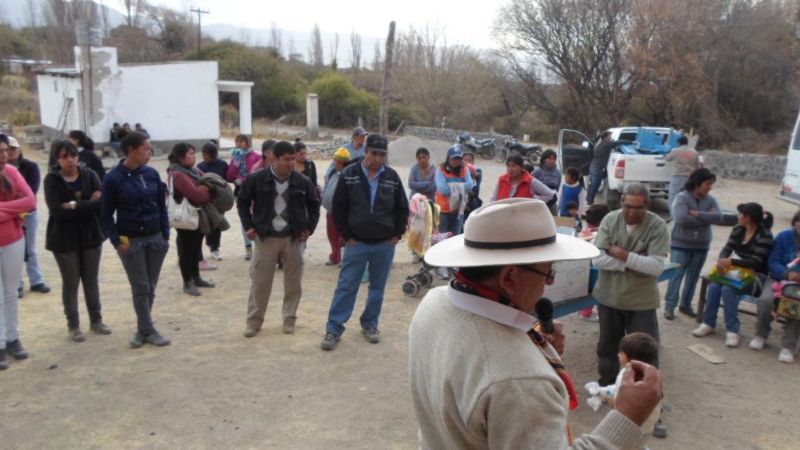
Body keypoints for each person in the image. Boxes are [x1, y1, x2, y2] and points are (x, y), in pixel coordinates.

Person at [410, 197, 662, 449]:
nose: (548, 283)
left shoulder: (434, 301)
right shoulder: (520, 381)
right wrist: (627, 419)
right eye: (548, 271)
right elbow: (505, 373)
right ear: (509, 278)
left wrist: (532, 347)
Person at [593, 182, 669, 437]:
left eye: (638, 208)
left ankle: (653, 407)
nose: (632, 212)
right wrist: (637, 260)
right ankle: (608, 391)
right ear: (621, 202)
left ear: (647, 205)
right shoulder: (610, 220)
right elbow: (597, 258)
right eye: (628, 206)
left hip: (641, 301)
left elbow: (656, 267)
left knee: (646, 356)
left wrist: (621, 254)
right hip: (609, 297)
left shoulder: (657, 226)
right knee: (607, 348)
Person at [321, 134, 409, 351]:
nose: (377, 159)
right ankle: (334, 328)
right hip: (356, 243)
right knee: (347, 286)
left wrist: (397, 235)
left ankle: (370, 324)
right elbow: (338, 207)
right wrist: (347, 235)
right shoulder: (349, 174)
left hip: (384, 245)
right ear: (365, 152)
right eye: (374, 154)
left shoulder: (392, 177)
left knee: (377, 288)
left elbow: (402, 208)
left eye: (382, 155)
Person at [238, 141, 320, 337]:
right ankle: (254, 322)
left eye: (293, 159)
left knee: (293, 283)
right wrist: (249, 226)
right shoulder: (257, 178)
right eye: (286, 159)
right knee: (260, 282)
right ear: (274, 158)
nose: (291, 163)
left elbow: (314, 205)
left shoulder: (302, 181)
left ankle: (289, 319)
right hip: (266, 238)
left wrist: (309, 228)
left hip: (293, 239)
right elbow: (242, 201)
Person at [101, 131, 171, 348]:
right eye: (146, 148)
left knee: (150, 287)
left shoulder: (151, 174)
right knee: (140, 286)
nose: (150, 152)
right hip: (131, 241)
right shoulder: (113, 178)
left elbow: (161, 206)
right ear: (131, 150)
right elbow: (106, 214)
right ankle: (149, 330)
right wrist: (117, 241)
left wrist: (165, 235)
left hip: (156, 239)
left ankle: (143, 329)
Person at [43, 140, 111, 342]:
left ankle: (96, 320)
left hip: (91, 235)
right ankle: (73, 325)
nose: (70, 160)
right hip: (64, 240)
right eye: (64, 156)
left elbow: (102, 202)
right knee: (71, 282)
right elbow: (57, 212)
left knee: (91, 280)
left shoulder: (89, 174)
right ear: (57, 159)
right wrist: (89, 202)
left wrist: (74, 205)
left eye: (73, 155)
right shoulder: (51, 180)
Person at [693, 202, 774, 347]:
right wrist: (722, 261)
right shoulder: (738, 229)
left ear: (748, 218)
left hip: (756, 276)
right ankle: (708, 323)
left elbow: (755, 262)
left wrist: (731, 261)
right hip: (736, 272)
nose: (738, 216)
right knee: (714, 286)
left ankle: (732, 330)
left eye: (740, 214)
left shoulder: (765, 235)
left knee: (727, 289)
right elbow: (727, 248)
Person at [664, 169, 723, 320]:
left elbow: (718, 217)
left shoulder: (711, 200)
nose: (710, 187)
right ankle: (669, 307)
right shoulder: (681, 197)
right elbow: (681, 218)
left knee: (693, 277)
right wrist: (706, 218)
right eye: (707, 184)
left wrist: (698, 214)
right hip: (680, 244)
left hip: (701, 245)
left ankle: (685, 305)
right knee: (676, 276)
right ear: (697, 183)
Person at [0, 134, 35, 370]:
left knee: (11, 292)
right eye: (0, 151)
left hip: (13, 240)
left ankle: (13, 338)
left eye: (5, 150)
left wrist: (2, 210)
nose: (4, 155)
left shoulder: (12, 172)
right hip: (11, 233)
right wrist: (13, 210)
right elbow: (21, 205)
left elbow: (30, 201)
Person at [585, 332, 662, 440]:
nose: (618, 355)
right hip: (642, 426)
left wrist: (615, 403)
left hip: (634, 429)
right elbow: (618, 388)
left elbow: (631, 408)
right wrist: (602, 391)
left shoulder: (635, 380)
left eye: (621, 353)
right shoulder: (645, 375)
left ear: (628, 358)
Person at [750, 210, 800, 363]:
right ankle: (761, 334)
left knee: (796, 304)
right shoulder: (784, 236)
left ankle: (788, 346)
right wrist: (787, 273)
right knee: (765, 300)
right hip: (778, 278)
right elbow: (773, 261)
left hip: (798, 285)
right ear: (795, 221)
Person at [168, 143, 215, 296]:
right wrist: (208, 192)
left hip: (197, 214)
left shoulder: (193, 171)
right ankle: (187, 282)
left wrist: (207, 190)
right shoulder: (178, 174)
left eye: (194, 154)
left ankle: (196, 278)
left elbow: (211, 183)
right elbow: (197, 195)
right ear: (181, 157)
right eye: (191, 154)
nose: (194, 157)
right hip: (185, 217)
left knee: (195, 248)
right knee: (187, 250)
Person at [6, 136, 50, 297]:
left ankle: (36, 280)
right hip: (9, 216)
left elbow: (31, 191)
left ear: (19, 150)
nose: (10, 152)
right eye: (7, 149)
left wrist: (16, 200)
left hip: (29, 213)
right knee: (13, 250)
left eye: (13, 149)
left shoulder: (31, 167)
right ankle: (17, 284)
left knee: (30, 248)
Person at [226, 134, 261, 261]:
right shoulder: (236, 156)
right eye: (237, 142)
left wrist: (244, 179)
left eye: (241, 141)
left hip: (256, 193)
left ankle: (259, 247)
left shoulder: (256, 156)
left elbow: (258, 174)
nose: (238, 144)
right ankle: (248, 247)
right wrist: (235, 162)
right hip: (240, 192)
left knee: (258, 218)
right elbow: (229, 176)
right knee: (245, 220)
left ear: (248, 143)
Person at [578, 203, 611, 321]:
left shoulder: (586, 228)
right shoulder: (599, 232)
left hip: (582, 266)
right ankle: (586, 313)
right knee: (594, 287)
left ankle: (584, 310)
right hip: (592, 268)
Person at [197, 142, 229, 261]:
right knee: (204, 224)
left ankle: (215, 248)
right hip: (206, 201)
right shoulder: (200, 166)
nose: (204, 157)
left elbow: (227, 179)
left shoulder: (222, 164)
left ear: (214, 154)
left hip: (219, 200)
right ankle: (203, 247)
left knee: (217, 224)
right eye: (203, 154)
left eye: (206, 154)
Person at [322, 148, 352, 266]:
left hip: (343, 212)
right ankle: (335, 256)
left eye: (336, 160)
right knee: (332, 235)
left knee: (342, 237)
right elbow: (326, 186)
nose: (334, 162)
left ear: (341, 162)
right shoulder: (332, 172)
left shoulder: (349, 175)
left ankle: (344, 258)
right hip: (330, 211)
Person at [435, 145, 473, 235]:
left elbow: (470, 185)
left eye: (459, 158)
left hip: (458, 211)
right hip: (443, 211)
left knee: (455, 239)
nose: (456, 161)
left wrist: (451, 186)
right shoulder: (440, 170)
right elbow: (443, 189)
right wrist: (461, 187)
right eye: (454, 158)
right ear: (448, 158)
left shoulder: (464, 169)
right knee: (443, 239)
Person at [587, 132, 633, 205]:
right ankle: (589, 202)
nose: (611, 137)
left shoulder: (600, 143)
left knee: (592, 185)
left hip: (593, 166)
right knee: (594, 186)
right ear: (606, 137)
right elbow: (618, 142)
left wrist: (598, 137)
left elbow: (591, 143)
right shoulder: (607, 143)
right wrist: (631, 142)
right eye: (610, 136)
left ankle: (588, 201)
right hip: (598, 168)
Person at [491, 155, 555, 203]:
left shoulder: (530, 181)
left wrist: (533, 201)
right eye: (508, 166)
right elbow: (493, 200)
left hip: (523, 216)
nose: (510, 169)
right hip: (503, 215)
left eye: (513, 166)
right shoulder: (502, 180)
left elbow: (550, 194)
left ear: (521, 167)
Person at [664, 136, 700, 207]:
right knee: (688, 197)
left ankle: (674, 213)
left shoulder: (675, 150)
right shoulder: (695, 152)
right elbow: (697, 166)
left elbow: (667, 158)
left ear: (679, 143)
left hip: (678, 177)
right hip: (690, 178)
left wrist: (666, 153)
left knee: (674, 196)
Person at [535, 149, 562, 214]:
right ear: (544, 159)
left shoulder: (558, 173)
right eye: (549, 158)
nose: (552, 161)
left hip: (552, 205)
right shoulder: (537, 172)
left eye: (554, 159)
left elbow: (557, 189)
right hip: (538, 204)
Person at [461, 151, 483, 227]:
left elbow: (475, 191)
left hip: (472, 202)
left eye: (470, 160)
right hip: (461, 203)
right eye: (465, 160)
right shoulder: (459, 171)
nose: (467, 162)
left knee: (473, 226)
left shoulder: (478, 171)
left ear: (473, 161)